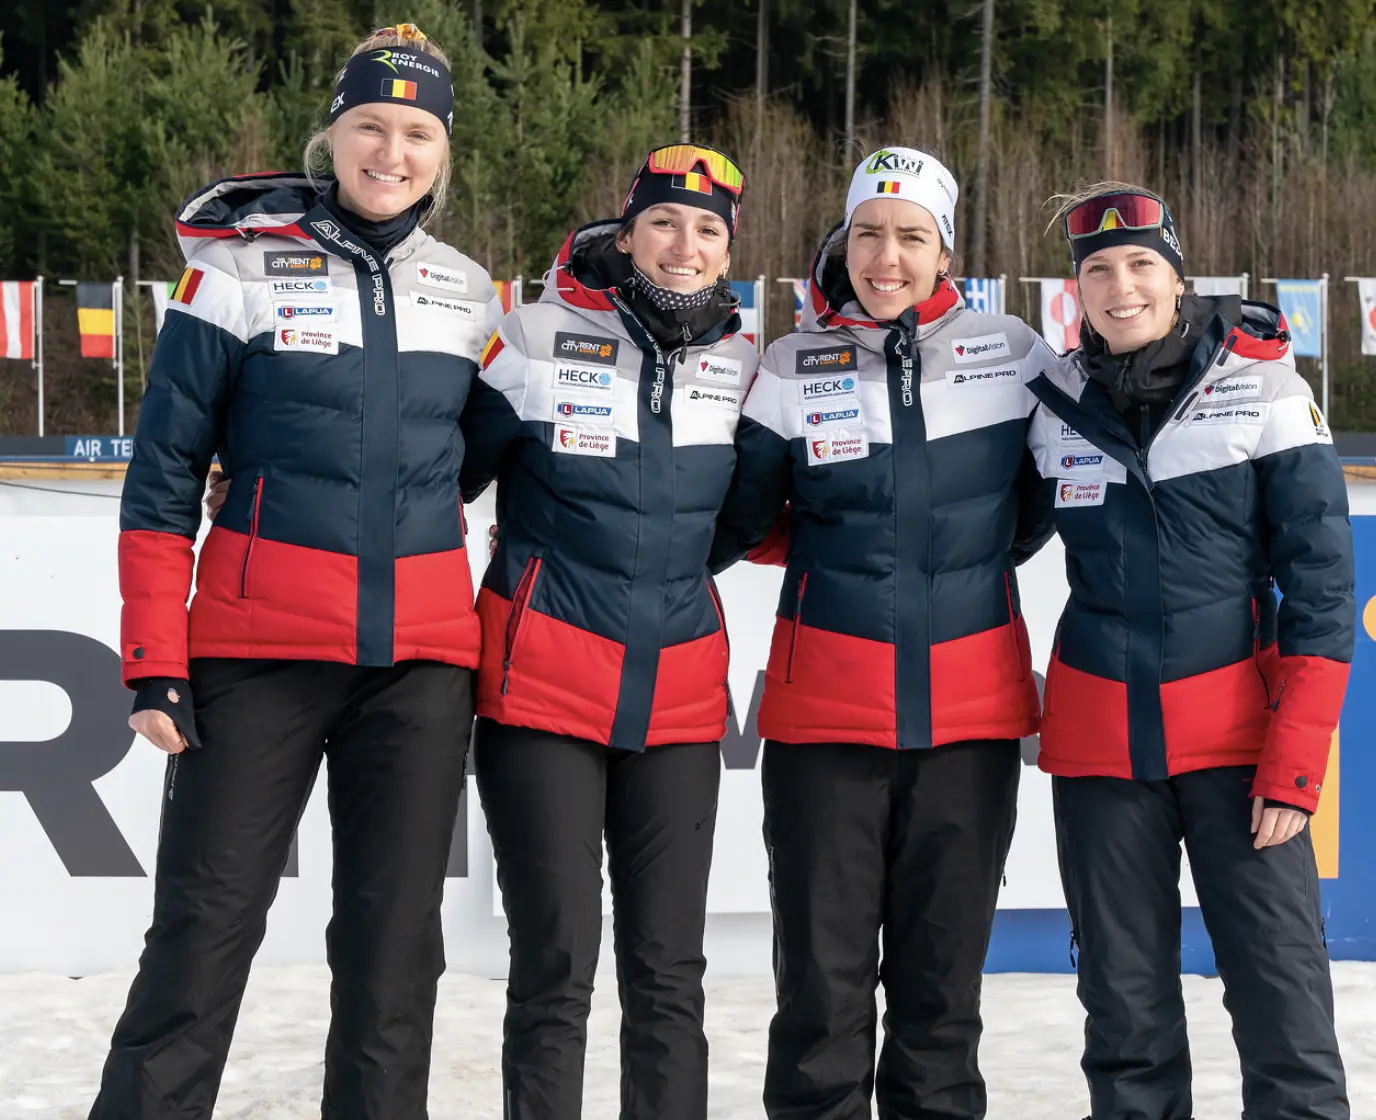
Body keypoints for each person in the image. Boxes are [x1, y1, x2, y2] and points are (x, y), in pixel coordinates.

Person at [89, 25, 494, 1120]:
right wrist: (152, 658)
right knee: (201, 938)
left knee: (395, 956)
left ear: (441, 152)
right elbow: (166, 467)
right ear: (334, 133)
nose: (390, 150)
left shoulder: (469, 294)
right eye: (370, 124)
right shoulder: (236, 268)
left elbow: (507, 456)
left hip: (415, 671)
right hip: (253, 657)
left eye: (416, 132)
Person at [709, 147, 1056, 1120]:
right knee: (819, 998)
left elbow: (1027, 519)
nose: (885, 256)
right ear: (843, 241)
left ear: (945, 248)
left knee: (939, 999)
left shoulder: (1012, 356)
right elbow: (735, 520)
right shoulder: (789, 365)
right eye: (867, 232)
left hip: (969, 724)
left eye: (910, 236)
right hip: (824, 727)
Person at [1025, 183, 1354, 1120]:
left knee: (1282, 1000)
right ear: (1074, 291)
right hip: (1099, 754)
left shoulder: (1266, 389)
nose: (1119, 287)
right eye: (1097, 271)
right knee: (1123, 1016)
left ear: (1177, 278)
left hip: (1241, 753)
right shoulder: (1051, 402)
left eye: (1141, 266)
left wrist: (1294, 772)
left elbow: (1325, 595)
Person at [457, 145, 758, 1119]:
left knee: (668, 970)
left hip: (673, 701)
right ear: (625, 236)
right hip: (541, 691)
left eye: (707, 229)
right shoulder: (534, 336)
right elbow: (438, 473)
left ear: (726, 252)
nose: (684, 244)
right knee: (555, 962)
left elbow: (740, 522)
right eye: (664, 222)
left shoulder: (740, 361)